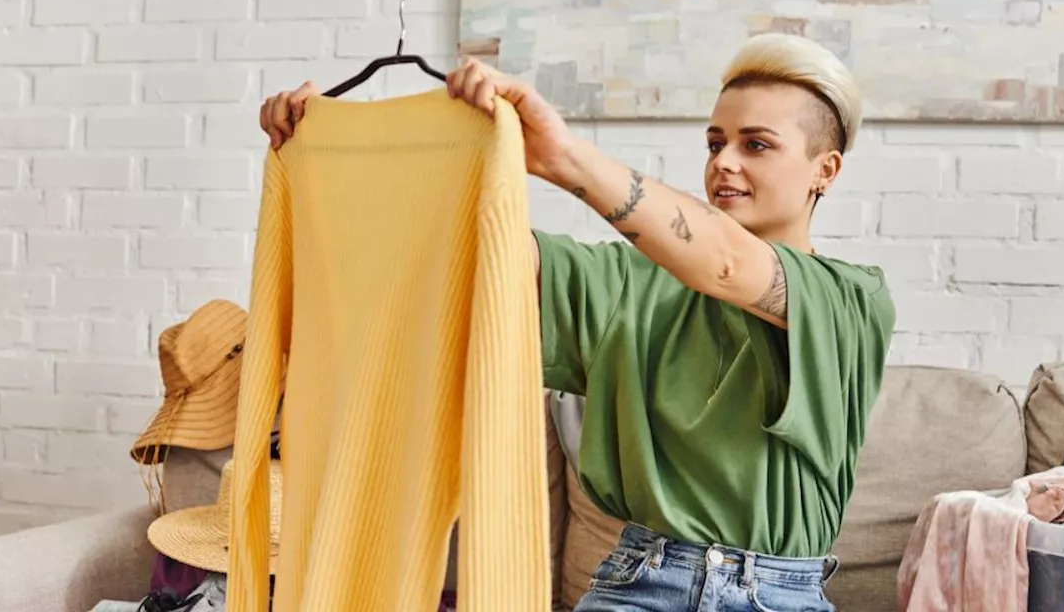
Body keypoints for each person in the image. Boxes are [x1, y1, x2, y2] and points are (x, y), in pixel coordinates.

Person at [258, 33, 896, 612]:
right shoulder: (630, 283)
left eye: (755, 144)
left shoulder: (851, 301)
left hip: (779, 597)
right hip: (640, 585)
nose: (724, 162)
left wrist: (560, 155)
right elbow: (466, 250)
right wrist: (335, 148)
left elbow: (726, 264)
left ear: (825, 170)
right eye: (714, 142)